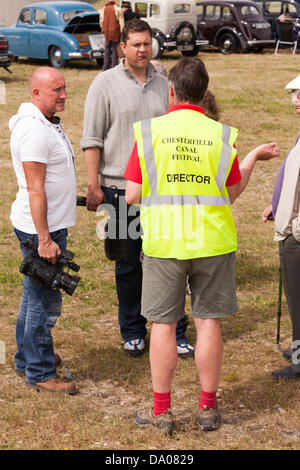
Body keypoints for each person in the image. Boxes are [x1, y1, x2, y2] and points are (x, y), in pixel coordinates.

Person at [125, 57, 279, 434]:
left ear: (171, 91)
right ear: (204, 92)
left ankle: (162, 412)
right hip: (213, 241)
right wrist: (253, 159)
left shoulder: (149, 132)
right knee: (208, 322)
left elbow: (131, 195)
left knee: (162, 325)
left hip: (165, 244)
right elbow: (231, 193)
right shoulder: (222, 134)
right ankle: (207, 409)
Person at [81, 18, 193, 359]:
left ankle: (174, 330)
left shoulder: (166, 84)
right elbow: (91, 138)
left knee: (168, 263)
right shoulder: (103, 84)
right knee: (128, 265)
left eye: (147, 44)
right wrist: (93, 184)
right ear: (122, 48)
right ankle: (132, 331)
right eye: (136, 44)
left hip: (161, 194)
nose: (143, 50)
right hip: (117, 192)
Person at [9, 67, 78, 394]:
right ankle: (39, 371)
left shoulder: (45, 121)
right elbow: (36, 189)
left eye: (64, 88)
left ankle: (27, 356)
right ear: (36, 93)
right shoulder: (34, 131)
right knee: (43, 301)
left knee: (32, 296)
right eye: (56, 90)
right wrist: (46, 240)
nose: (63, 95)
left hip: (45, 226)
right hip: (41, 231)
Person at [262, 74, 300, 381]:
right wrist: (279, 205)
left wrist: (295, 227)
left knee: (298, 302)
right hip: (291, 227)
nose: (295, 100)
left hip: (296, 236)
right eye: (293, 94)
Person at [100, 0, 124, 71]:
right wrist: (122, 32)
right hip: (115, 32)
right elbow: (121, 22)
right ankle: (114, 66)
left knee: (107, 50)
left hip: (107, 32)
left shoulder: (103, 8)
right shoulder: (117, 8)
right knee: (115, 50)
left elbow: (101, 21)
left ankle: (105, 67)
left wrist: (103, 29)